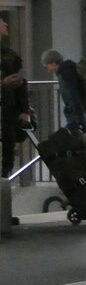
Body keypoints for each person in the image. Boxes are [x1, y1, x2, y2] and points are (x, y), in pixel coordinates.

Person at [41, 49, 86, 137]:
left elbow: (73, 96)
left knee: (72, 144)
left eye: (46, 66)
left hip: (82, 116)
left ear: (53, 63)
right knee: (85, 147)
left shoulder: (65, 74)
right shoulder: (72, 69)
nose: (47, 70)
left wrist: (79, 121)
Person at [1, 15, 32, 177]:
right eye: (1, 22)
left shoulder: (9, 54)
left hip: (8, 112)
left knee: (8, 150)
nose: (6, 24)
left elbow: (21, 83)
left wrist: (24, 110)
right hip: (6, 110)